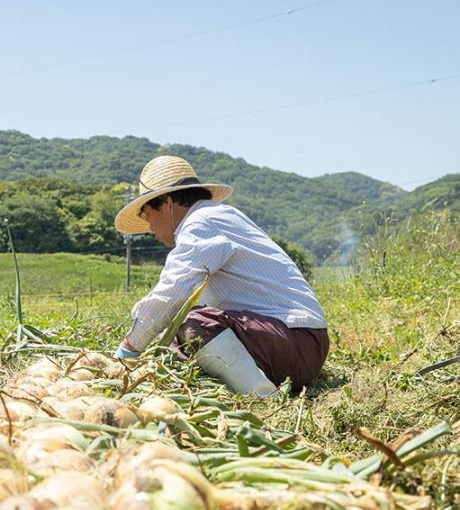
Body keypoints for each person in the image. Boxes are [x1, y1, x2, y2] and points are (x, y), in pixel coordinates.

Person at [113, 156, 329, 395]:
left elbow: (171, 294)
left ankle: (261, 396)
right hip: (294, 341)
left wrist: (127, 351)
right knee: (172, 337)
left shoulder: (201, 224)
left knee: (191, 323)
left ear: (166, 203)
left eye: (146, 214)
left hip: (297, 343)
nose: (150, 226)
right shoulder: (218, 216)